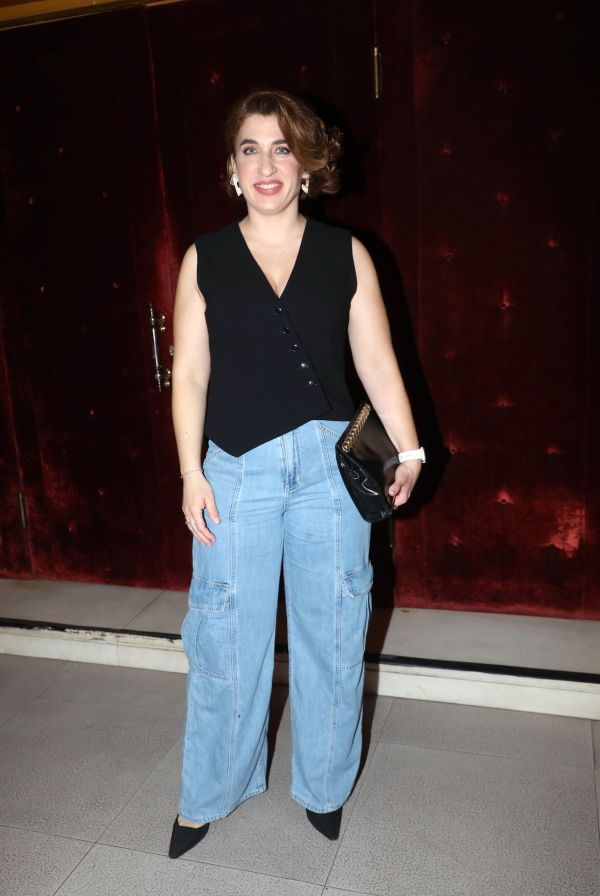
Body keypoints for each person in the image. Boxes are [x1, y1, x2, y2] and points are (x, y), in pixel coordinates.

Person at [169, 88, 423, 859]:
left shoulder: (347, 254)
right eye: (251, 148)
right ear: (232, 167)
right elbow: (190, 374)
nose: (267, 163)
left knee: (334, 630)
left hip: (327, 471)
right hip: (235, 469)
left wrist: (410, 450)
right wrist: (190, 472)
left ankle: (323, 787)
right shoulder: (205, 257)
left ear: (307, 164)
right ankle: (208, 793)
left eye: (283, 147)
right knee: (223, 635)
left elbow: (377, 359)